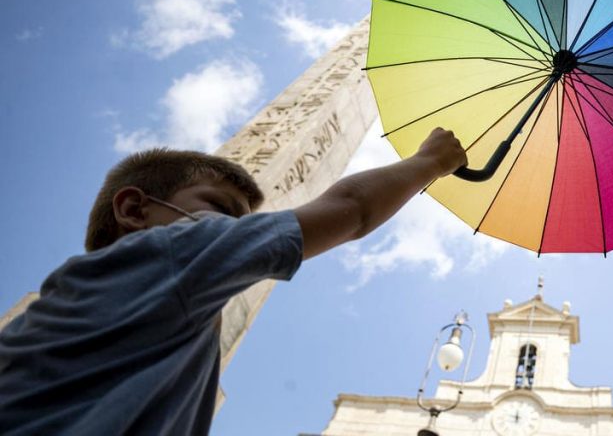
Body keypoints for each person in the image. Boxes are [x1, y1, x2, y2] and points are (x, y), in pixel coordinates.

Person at [0, 128, 467, 435]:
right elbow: (351, 210)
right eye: (223, 211)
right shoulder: (171, 253)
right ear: (134, 210)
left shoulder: (96, 303)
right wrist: (429, 162)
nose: (236, 231)